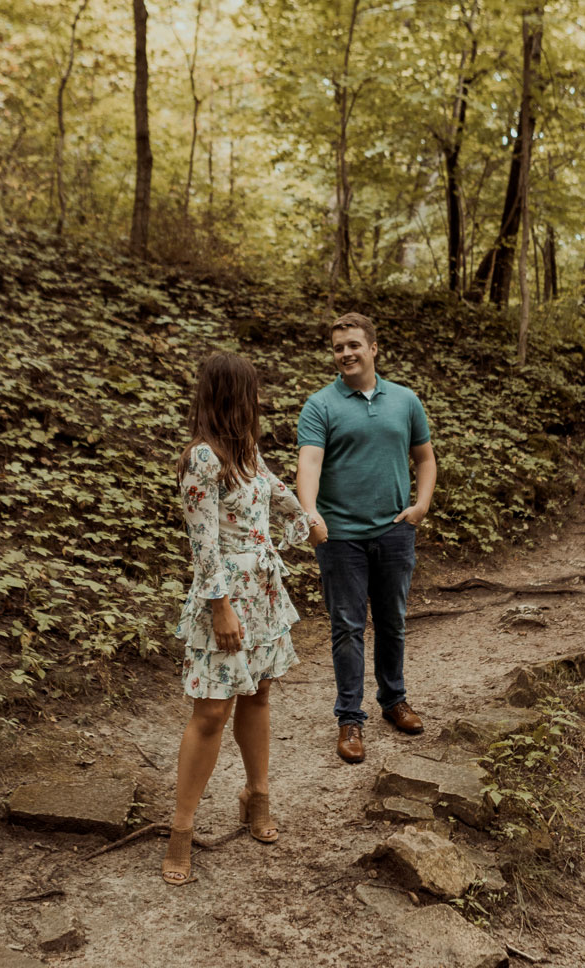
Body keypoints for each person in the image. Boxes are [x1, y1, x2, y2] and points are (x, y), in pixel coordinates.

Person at [163, 352, 316, 885]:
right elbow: (202, 543)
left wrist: (308, 518)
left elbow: (274, 490)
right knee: (211, 711)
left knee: (260, 693)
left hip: (263, 592)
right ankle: (181, 829)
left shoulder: (246, 450)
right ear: (231, 394)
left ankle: (257, 793)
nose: (257, 402)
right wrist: (219, 606)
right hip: (226, 596)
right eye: (250, 392)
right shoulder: (201, 459)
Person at [296, 313, 436, 764]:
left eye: (354, 345)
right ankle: (350, 719)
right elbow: (309, 463)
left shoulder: (405, 400)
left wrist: (421, 505)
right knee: (347, 628)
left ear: (373, 348)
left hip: (395, 530)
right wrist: (310, 513)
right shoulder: (320, 405)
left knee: (393, 620)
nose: (346, 353)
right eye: (339, 347)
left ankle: (394, 700)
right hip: (340, 537)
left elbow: (425, 458)